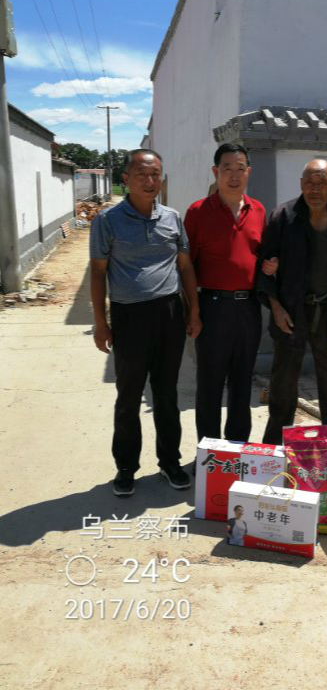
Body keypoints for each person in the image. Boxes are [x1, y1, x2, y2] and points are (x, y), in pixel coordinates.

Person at [90, 149, 201, 497]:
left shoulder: (172, 218)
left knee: (166, 394)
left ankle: (170, 462)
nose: (150, 181)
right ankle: (126, 468)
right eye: (142, 174)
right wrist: (100, 322)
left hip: (169, 313)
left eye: (155, 175)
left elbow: (185, 266)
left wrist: (193, 310)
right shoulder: (107, 221)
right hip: (129, 316)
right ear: (126, 179)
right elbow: (98, 273)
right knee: (129, 395)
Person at [257, 159, 327, 473]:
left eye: (322, 182)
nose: (314, 189)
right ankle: (274, 446)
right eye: (309, 181)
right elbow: (263, 266)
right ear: (300, 183)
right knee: (282, 383)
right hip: (290, 311)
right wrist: (275, 306)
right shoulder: (283, 218)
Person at [184, 143, 266, 445]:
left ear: (248, 172)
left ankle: (236, 448)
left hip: (249, 309)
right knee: (210, 382)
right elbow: (186, 267)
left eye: (240, 169)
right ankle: (210, 452)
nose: (234, 175)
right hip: (213, 307)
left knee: (242, 381)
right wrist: (193, 311)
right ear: (215, 171)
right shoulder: (198, 212)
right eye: (227, 168)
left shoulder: (258, 211)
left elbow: (260, 254)